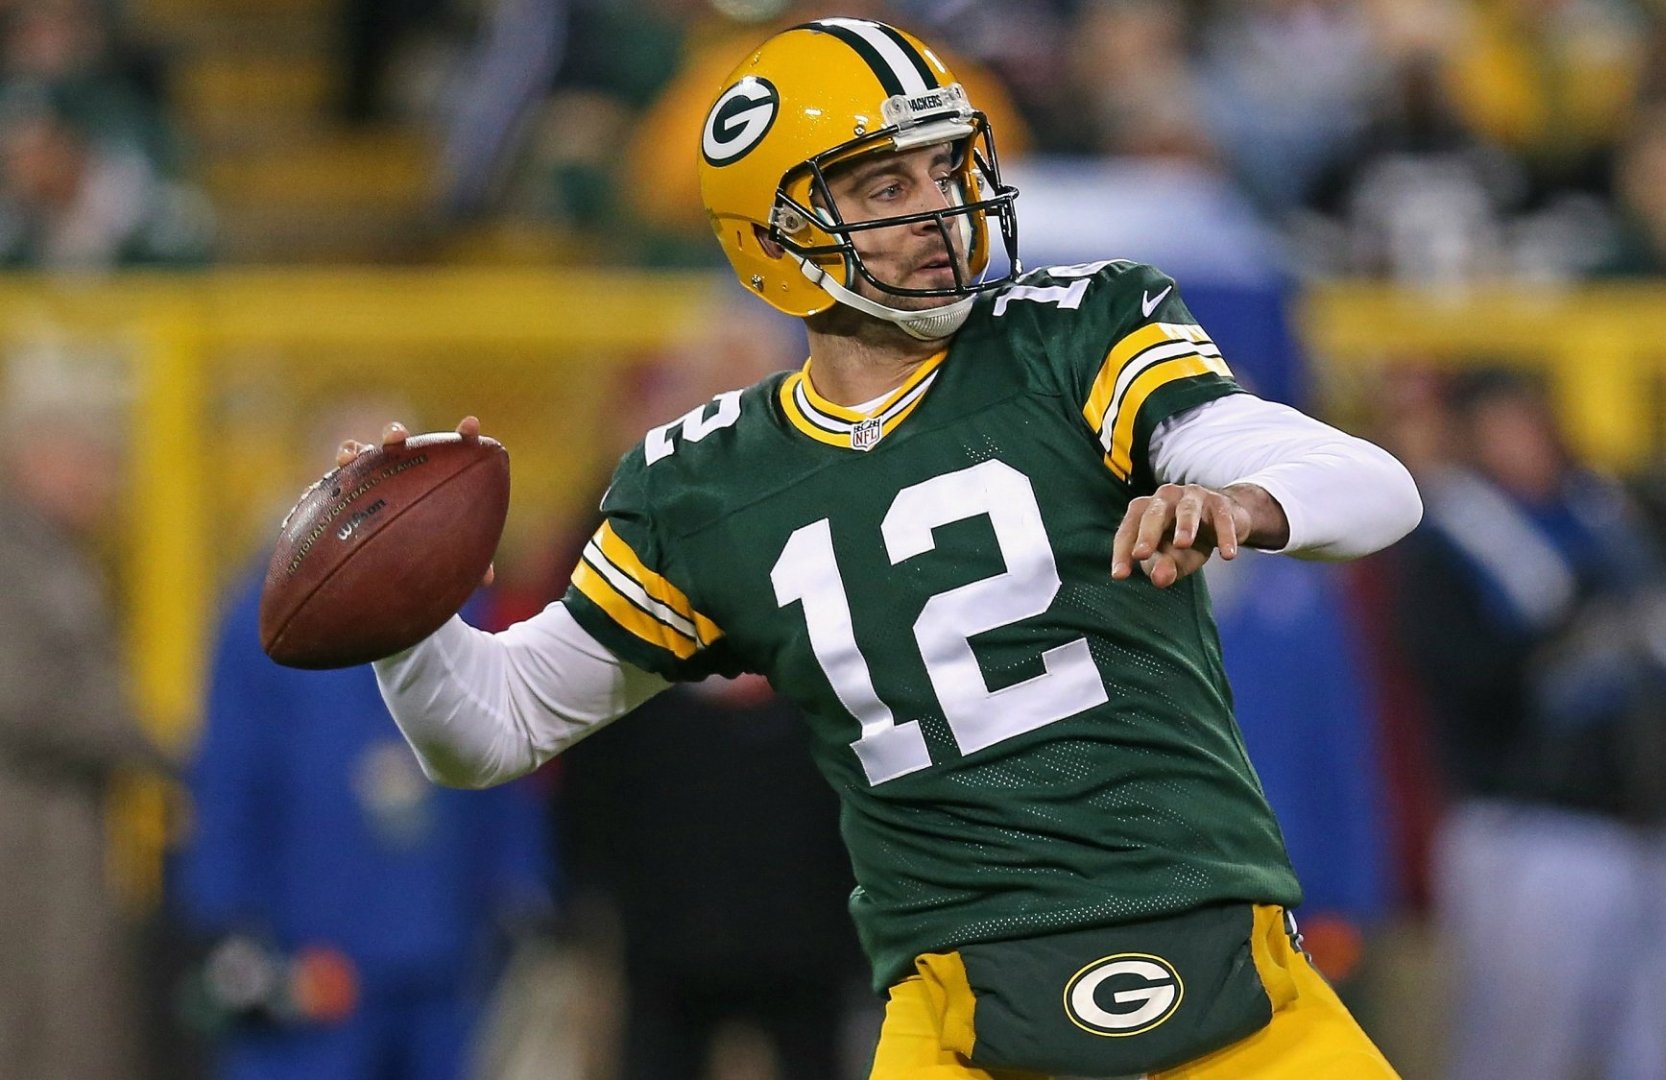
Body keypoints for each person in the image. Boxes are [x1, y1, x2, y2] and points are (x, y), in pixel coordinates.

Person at [352, 18, 1422, 1078]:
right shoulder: (707, 481)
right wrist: (401, 614)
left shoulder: (1078, 331)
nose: (940, 213)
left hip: (1229, 962)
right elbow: (492, 725)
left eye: (945, 167)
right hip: (962, 1013)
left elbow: (1376, 489)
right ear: (774, 238)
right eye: (884, 188)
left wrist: (1244, 502)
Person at [1393, 370, 1666, 1080]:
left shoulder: (1610, 515)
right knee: (1521, 1057)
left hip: (1663, 827)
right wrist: (1563, 625)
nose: (1528, 438)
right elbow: (1459, 678)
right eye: (1505, 422)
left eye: (1534, 418)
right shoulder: (1447, 534)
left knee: (1665, 1056)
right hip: (1534, 828)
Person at [177, 564, 552, 1080]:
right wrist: (227, 915)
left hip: (445, 960)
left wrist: (520, 878)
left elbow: (501, 747)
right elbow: (232, 777)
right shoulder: (267, 615)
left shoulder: (460, 605)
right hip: (312, 966)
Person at [0, 354, 170, 1079]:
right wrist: (152, 744)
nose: (108, 478)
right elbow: (22, 695)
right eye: (93, 456)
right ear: (36, 452)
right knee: (43, 1028)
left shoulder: (54, 555)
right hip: (25, 841)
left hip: (59, 830)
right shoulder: (14, 557)